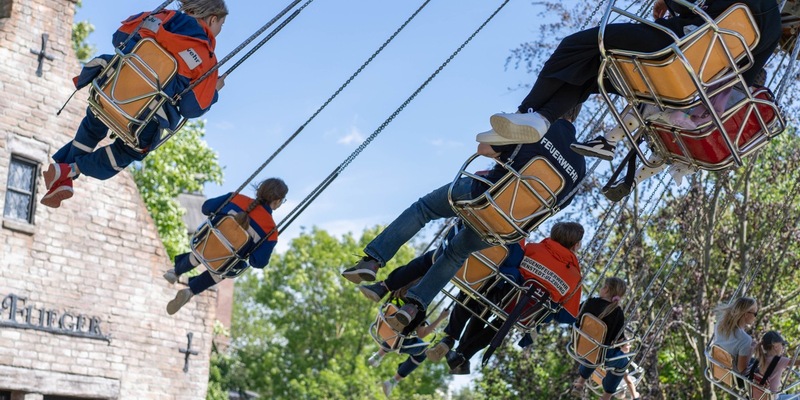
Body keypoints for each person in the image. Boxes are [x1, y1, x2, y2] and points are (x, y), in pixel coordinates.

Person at [340, 106, 586, 334]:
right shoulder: (579, 166)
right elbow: (554, 206)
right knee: (457, 253)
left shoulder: (535, 127)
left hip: (484, 195)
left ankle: (373, 260)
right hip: (506, 226)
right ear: (575, 114)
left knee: (424, 209)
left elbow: (484, 149)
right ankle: (413, 306)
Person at [487, 0, 781, 149]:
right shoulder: (772, 27)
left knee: (576, 45)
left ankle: (526, 111)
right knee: (595, 70)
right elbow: (745, 76)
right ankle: (541, 118)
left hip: (674, 48)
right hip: (690, 86)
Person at [41, 0, 229, 208]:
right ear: (212, 19)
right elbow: (190, 108)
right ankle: (71, 170)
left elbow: (119, 38)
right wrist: (213, 91)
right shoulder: (206, 58)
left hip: (110, 90)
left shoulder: (159, 16)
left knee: (93, 126)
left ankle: (61, 174)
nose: (220, 31)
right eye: (221, 25)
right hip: (143, 118)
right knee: (130, 151)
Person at [437, 221, 585, 374]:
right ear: (576, 245)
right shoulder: (574, 277)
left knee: (483, 300)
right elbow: (567, 316)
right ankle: (462, 355)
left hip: (502, 297)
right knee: (502, 324)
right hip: (525, 314)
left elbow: (510, 262)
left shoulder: (533, 249)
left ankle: (450, 339)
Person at [164, 178, 288, 315]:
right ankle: (190, 291)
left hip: (205, 243)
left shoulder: (236, 198)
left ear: (260, 189)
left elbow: (206, 208)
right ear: (278, 201)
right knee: (229, 267)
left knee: (207, 248)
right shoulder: (270, 231)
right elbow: (258, 262)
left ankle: (175, 272)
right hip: (224, 263)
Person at [365, 281, 450, 398]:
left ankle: (378, 356)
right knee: (423, 351)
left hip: (382, 325)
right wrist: (440, 318)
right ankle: (393, 381)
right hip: (397, 341)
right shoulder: (419, 308)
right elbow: (422, 334)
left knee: (395, 328)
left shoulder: (399, 290)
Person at [571, 277, 630, 400]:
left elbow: (575, 316)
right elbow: (618, 339)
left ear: (606, 289)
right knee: (623, 362)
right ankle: (606, 397)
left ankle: (580, 383)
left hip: (580, 344)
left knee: (594, 350)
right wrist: (624, 345)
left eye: (602, 286)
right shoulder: (617, 312)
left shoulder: (590, 302)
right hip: (601, 353)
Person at [712, 297, 758, 373]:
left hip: (717, 369)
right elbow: (742, 370)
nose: (755, 317)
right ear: (746, 314)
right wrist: (751, 349)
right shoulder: (745, 339)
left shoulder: (720, 325)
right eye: (755, 314)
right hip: (731, 374)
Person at [749, 331, 800, 399]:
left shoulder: (760, 358)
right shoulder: (780, 361)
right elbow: (797, 362)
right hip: (772, 398)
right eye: (782, 345)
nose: (783, 348)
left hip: (758, 396)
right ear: (775, 346)